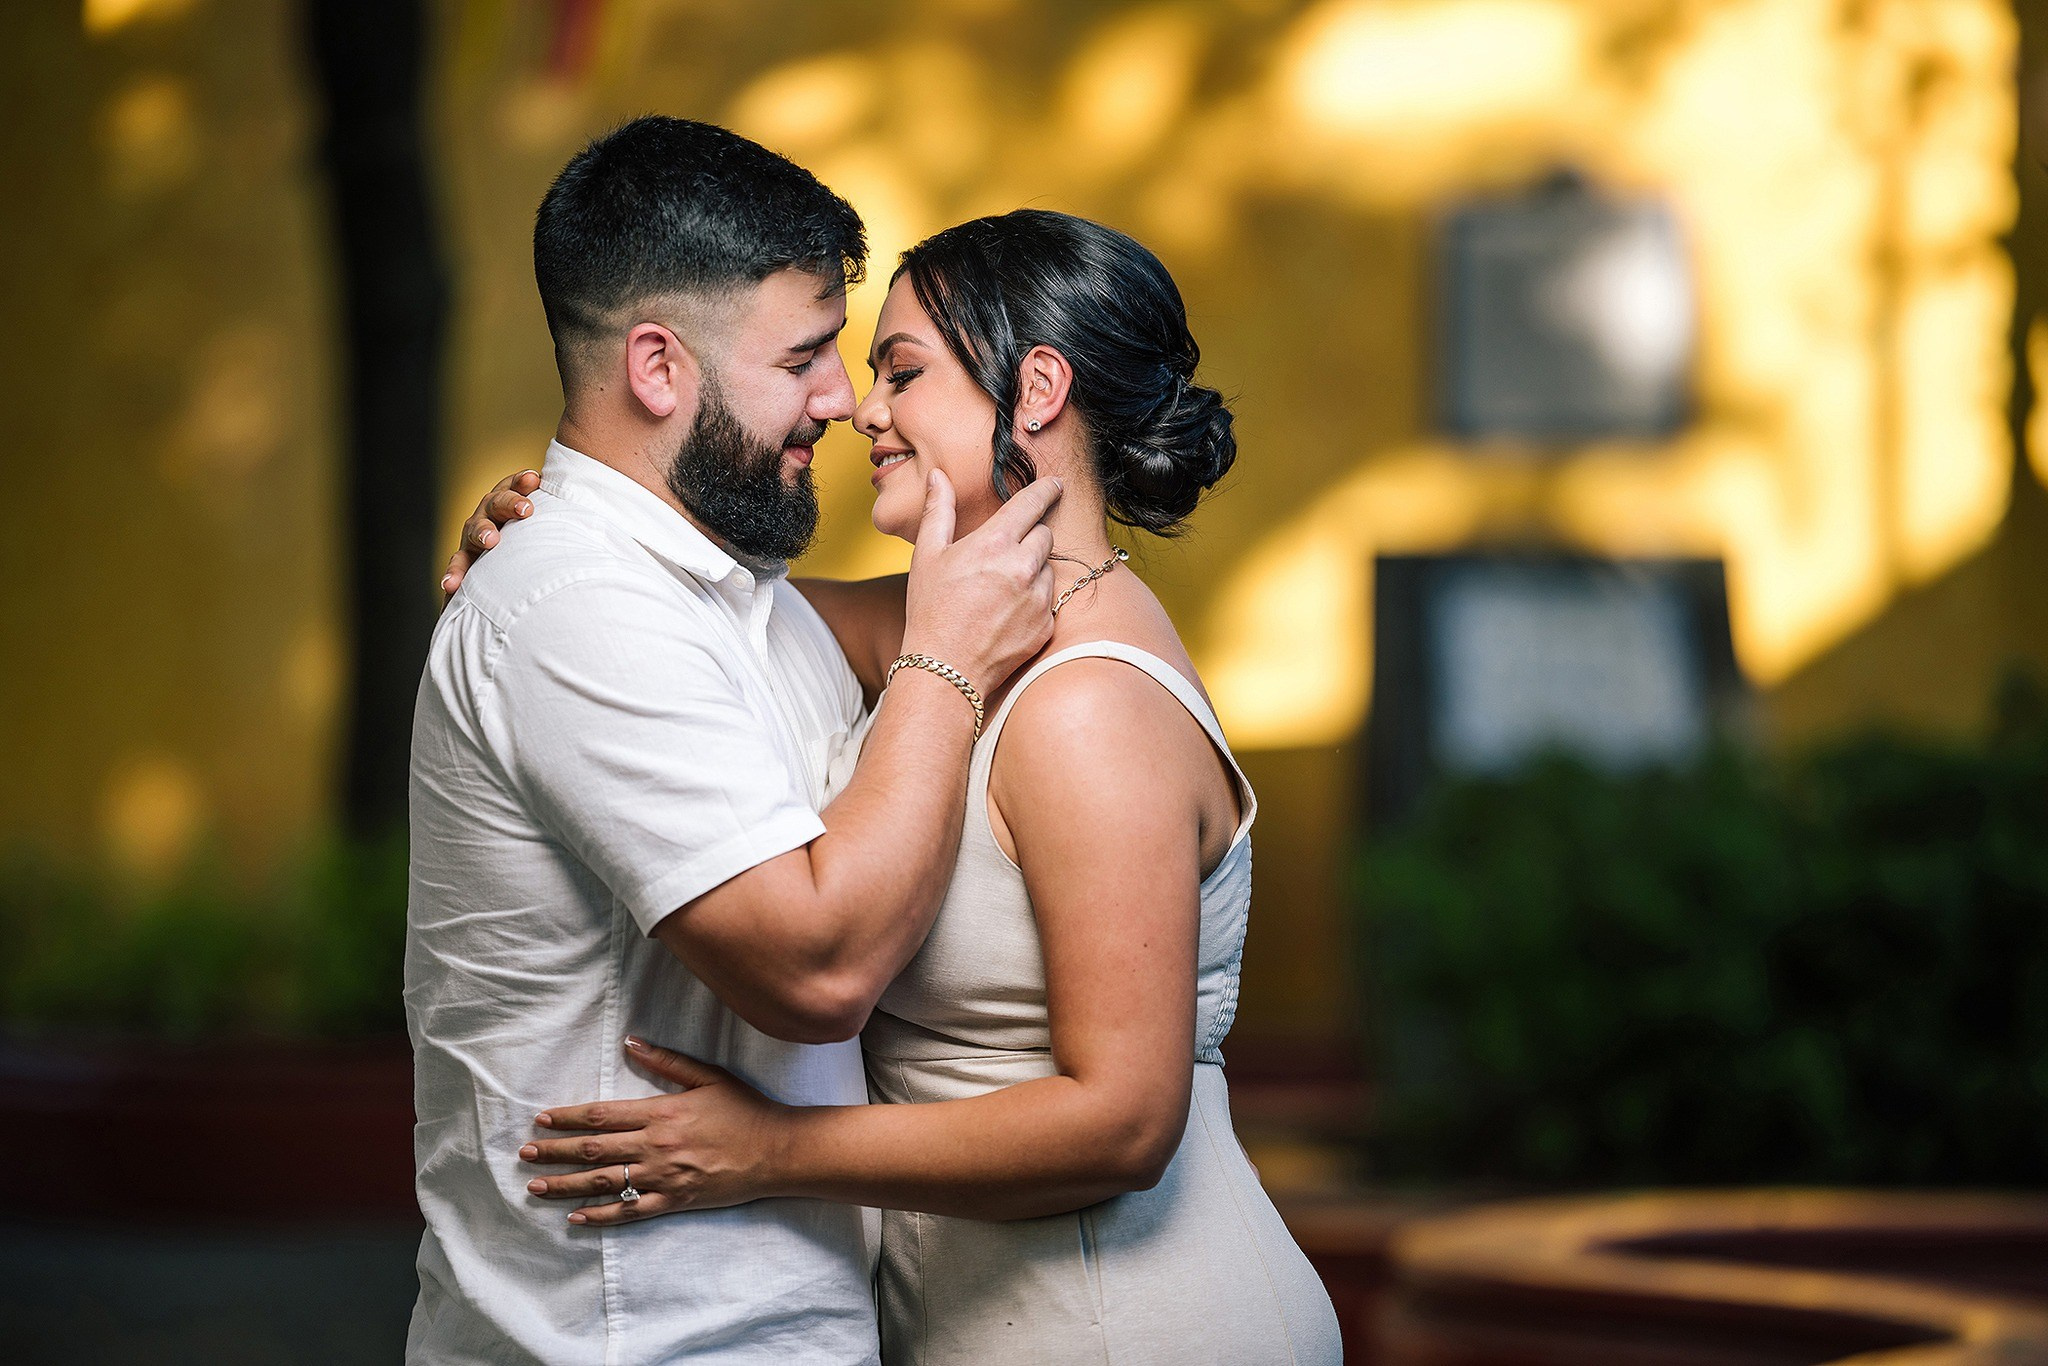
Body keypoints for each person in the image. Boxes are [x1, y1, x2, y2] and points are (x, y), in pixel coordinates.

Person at [446, 209, 1344, 1364]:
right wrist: (555, 538)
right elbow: (685, 620)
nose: (860, 408)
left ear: (1035, 390)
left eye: (900, 371)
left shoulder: (1086, 707)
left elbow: (1124, 1121)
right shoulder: (951, 622)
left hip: (1127, 1325)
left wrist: (766, 1149)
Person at [406, 117, 1061, 1366]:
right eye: (809, 355)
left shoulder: (729, 592)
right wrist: (943, 663)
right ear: (658, 367)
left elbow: (997, 607)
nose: (845, 399)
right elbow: (814, 974)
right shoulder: (572, 606)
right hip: (627, 1341)